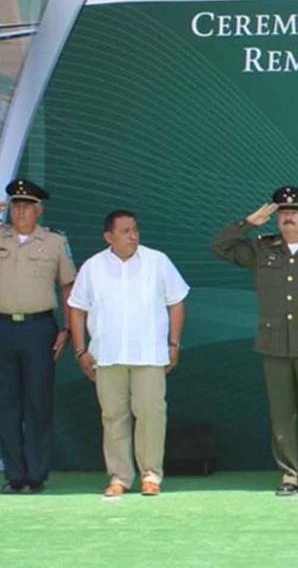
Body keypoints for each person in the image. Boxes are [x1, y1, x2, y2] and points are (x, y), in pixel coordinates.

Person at [211, 186, 298, 496]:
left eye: (294, 212)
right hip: (274, 343)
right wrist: (248, 223)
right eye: (283, 212)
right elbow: (219, 246)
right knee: (281, 411)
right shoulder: (261, 248)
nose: (288, 217)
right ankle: (289, 473)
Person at [67, 210, 189, 497]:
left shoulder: (157, 261)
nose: (133, 235)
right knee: (113, 416)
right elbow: (77, 308)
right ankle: (120, 477)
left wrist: (173, 343)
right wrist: (80, 349)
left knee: (151, 413)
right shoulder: (93, 266)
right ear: (108, 236)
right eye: (125, 231)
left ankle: (151, 474)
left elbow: (177, 301)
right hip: (106, 355)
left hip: (149, 353)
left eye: (135, 230)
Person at [0, 179, 76, 495]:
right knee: (6, 403)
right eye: (15, 205)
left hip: (39, 328)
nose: (20, 211)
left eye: (27, 206)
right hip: (2, 327)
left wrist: (69, 329)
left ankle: (35, 474)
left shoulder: (55, 243)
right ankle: (14, 474)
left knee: (37, 402)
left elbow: (69, 287)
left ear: (38, 210)